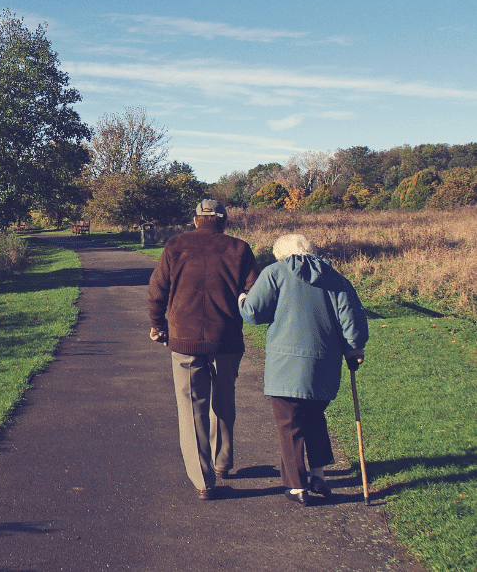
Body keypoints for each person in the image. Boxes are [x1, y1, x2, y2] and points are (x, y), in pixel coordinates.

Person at [239, 233, 368, 506]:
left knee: (289, 423)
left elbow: (253, 313)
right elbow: (351, 318)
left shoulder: (275, 272)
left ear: (281, 255)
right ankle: (319, 474)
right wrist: (354, 349)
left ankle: (297, 486)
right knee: (314, 416)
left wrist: (241, 299)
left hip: (286, 364)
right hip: (325, 363)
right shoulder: (335, 276)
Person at [147, 199, 260, 500]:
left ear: (196, 219)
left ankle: (202, 480)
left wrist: (158, 326)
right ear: (224, 220)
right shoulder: (240, 249)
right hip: (227, 338)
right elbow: (254, 292)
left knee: (191, 407)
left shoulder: (175, 245)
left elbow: (156, 290)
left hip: (184, 338)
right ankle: (222, 462)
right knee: (224, 400)